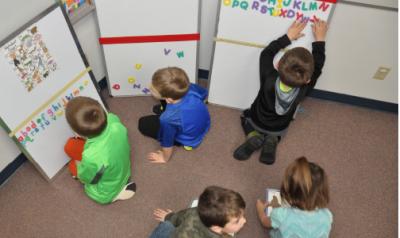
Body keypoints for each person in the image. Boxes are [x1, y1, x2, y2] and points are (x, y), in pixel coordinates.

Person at [233, 19, 329, 165]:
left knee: (246, 116)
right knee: (278, 132)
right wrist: (320, 39)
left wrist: (288, 37)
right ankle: (272, 141)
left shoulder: (269, 76)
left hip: (257, 120)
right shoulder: (305, 88)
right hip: (279, 127)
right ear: (308, 79)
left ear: (278, 65)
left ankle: (252, 135)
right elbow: (318, 65)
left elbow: (267, 53)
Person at [64, 96, 135, 204]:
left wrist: (80, 170)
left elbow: (89, 178)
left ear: (78, 133)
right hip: (119, 164)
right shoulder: (113, 120)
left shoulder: (92, 157)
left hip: (108, 188)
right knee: (70, 146)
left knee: (73, 166)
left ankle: (116, 195)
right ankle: (120, 186)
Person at [138, 67, 210, 163]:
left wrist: (164, 158)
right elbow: (204, 94)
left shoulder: (167, 118)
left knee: (143, 123)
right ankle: (168, 107)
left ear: (169, 100)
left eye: (153, 90)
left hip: (190, 138)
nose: (150, 87)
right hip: (204, 123)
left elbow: (167, 140)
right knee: (168, 103)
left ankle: (183, 143)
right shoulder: (188, 87)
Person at [256, 156, 333, 237]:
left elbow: (265, 222)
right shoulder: (327, 215)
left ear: (289, 193)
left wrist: (260, 210)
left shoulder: (281, 214)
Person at [150, 186, 247, 238]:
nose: (244, 221)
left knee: (166, 225)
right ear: (217, 228)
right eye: (237, 221)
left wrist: (169, 216)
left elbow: (179, 217)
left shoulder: (194, 212)